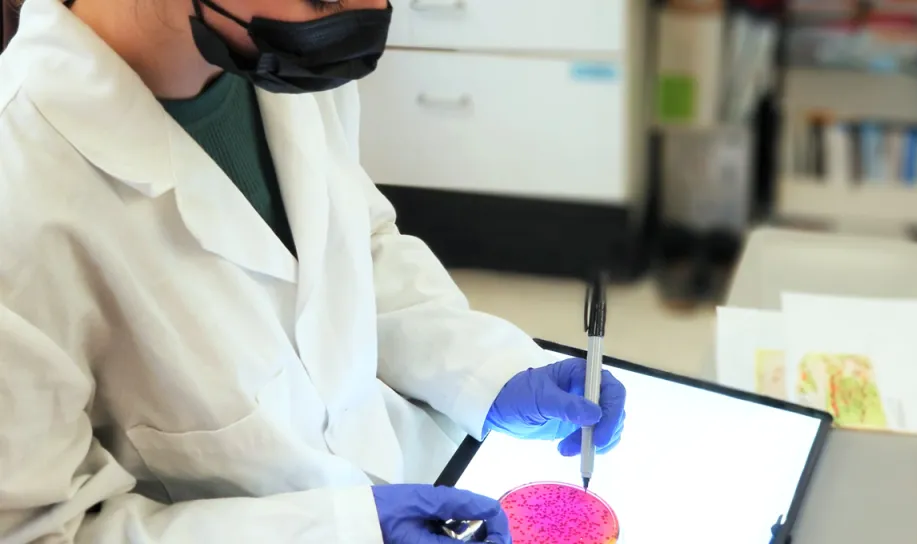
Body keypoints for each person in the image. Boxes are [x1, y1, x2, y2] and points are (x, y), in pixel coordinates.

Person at [0, 0, 627, 543]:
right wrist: (335, 532)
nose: (365, 12)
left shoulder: (271, 60)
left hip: (413, 463)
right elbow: (38, 529)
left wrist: (489, 373)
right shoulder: (22, 189)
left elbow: (357, 247)